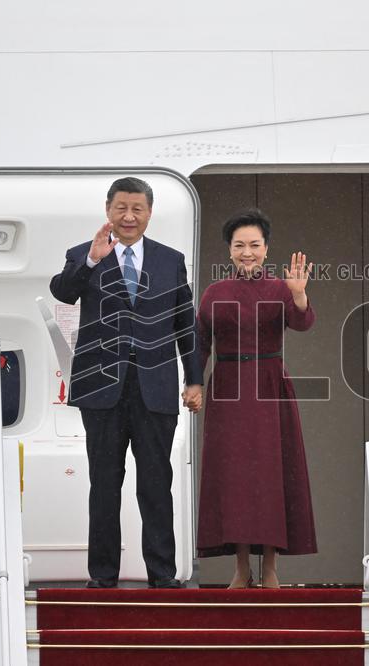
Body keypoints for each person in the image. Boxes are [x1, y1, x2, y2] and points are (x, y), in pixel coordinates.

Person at [49, 177, 203, 589]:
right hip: (102, 389)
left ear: (149, 213)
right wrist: (93, 262)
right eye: (121, 207)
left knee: (156, 485)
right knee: (104, 485)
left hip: (154, 390)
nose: (129, 216)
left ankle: (162, 574)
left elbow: (185, 325)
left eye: (137, 208)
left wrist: (194, 379)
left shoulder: (171, 260)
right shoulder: (84, 255)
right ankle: (102, 576)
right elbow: (63, 293)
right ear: (108, 209)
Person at [196, 209, 317, 589]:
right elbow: (200, 342)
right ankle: (241, 567)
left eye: (254, 245)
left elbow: (303, 323)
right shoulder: (215, 292)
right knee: (234, 479)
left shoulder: (281, 288)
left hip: (269, 387)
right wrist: (193, 384)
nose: (247, 252)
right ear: (229, 251)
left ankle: (270, 569)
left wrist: (298, 296)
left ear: (266, 249)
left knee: (271, 477)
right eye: (239, 245)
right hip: (227, 388)